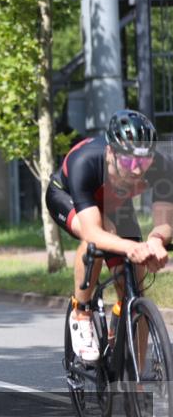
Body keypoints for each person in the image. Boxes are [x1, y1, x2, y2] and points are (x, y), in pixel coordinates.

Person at [45, 109, 173, 363]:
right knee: (99, 236)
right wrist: (129, 247)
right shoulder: (86, 161)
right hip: (67, 197)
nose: (136, 171)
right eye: (128, 162)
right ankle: (81, 311)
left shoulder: (162, 165)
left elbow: (164, 222)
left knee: (135, 288)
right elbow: (93, 231)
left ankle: (134, 378)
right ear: (110, 152)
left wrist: (156, 241)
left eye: (143, 162)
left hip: (116, 204)